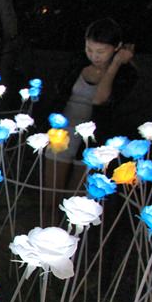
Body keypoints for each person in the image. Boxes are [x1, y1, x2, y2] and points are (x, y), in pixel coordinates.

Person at [47, 18, 138, 210]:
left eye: (100, 51)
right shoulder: (77, 63)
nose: (94, 56)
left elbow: (100, 100)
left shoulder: (126, 74)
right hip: (62, 133)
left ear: (117, 47)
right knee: (50, 198)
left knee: (75, 202)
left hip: (94, 139)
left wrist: (114, 66)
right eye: (89, 49)